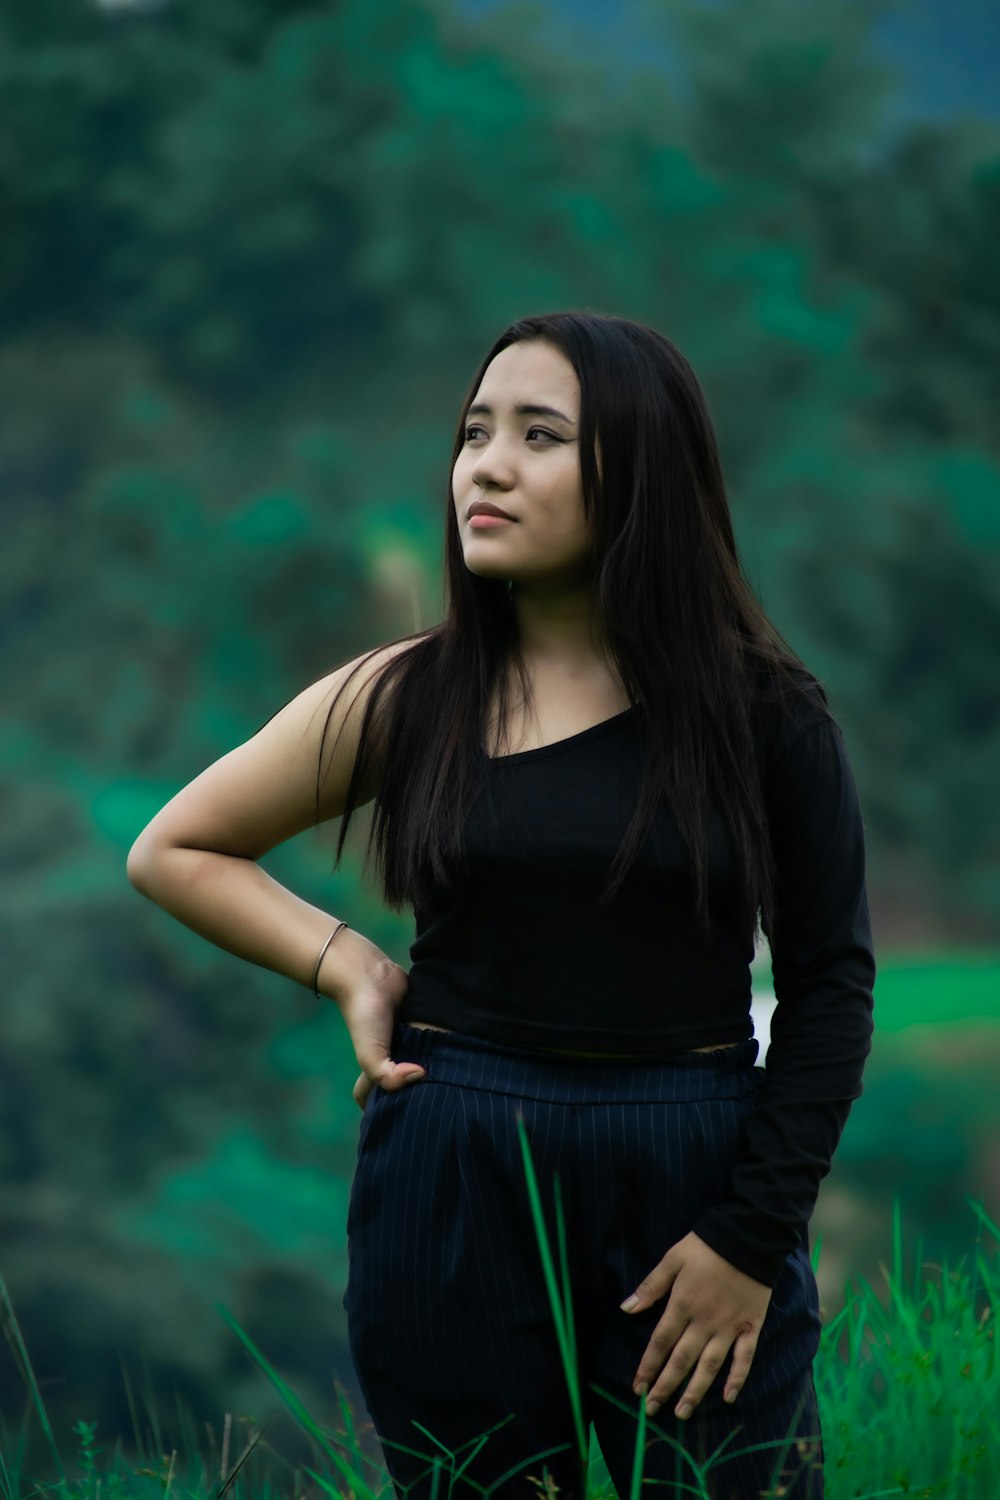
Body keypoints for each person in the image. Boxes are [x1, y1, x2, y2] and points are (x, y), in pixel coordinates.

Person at [127, 312, 876, 1500]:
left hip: (695, 1171)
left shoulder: (766, 715)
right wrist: (348, 965)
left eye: (540, 436)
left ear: (639, 472)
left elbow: (832, 983)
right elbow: (178, 847)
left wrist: (749, 1238)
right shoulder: (408, 694)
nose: (485, 463)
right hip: (456, 1166)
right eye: (475, 431)